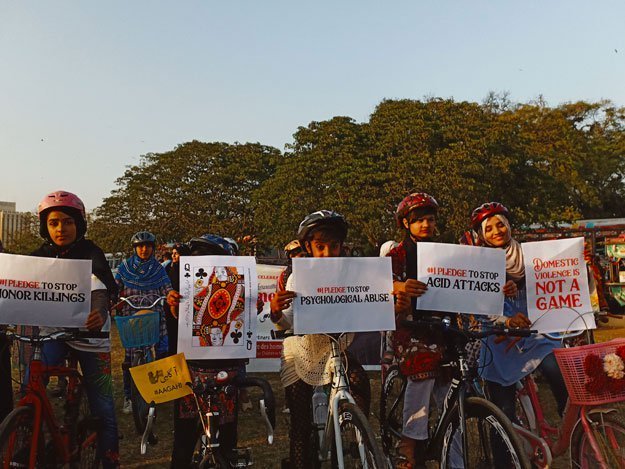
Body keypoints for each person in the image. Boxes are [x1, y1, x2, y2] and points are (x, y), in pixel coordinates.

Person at [269, 210, 371, 469]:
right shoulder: (297, 276)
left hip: (334, 348)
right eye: (320, 246)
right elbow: (287, 321)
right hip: (301, 348)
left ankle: (357, 438)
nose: (327, 253)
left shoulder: (353, 274)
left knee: (360, 383)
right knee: (301, 421)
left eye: (333, 246)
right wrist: (276, 311)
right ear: (308, 247)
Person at [31, 190, 119, 467]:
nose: (60, 228)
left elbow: (103, 285)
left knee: (103, 407)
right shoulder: (38, 257)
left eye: (67, 222)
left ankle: (109, 461)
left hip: (91, 339)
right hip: (53, 335)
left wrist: (100, 310)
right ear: (45, 227)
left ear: (79, 224)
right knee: (30, 390)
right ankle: (28, 442)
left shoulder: (92, 252)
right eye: (54, 222)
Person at [472, 202, 568, 422]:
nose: (497, 231)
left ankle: (571, 425)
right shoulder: (479, 264)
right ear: (482, 234)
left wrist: (579, 267)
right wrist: (506, 320)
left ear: (508, 226)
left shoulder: (532, 256)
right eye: (489, 228)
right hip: (499, 341)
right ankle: (504, 455)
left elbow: (558, 279)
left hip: (535, 334)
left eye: (501, 225)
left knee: (556, 368)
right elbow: (478, 309)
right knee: (503, 413)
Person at [165, 234, 244, 468]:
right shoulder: (183, 286)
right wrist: (171, 304)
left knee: (228, 441)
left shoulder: (239, 287)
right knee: (184, 440)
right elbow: (174, 323)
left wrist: (252, 306)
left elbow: (247, 315)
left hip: (226, 369)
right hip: (191, 369)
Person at [386, 192, 448, 469]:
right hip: (408, 327)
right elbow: (376, 285)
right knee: (423, 366)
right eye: (418, 220)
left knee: (463, 371)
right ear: (405, 224)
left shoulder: (447, 253)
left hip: (443, 326)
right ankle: (408, 443)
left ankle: (453, 445)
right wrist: (400, 288)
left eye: (430, 220)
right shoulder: (396, 255)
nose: (425, 225)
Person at [115, 231, 172, 414]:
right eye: (140, 246)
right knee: (130, 359)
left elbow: (167, 288)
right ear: (134, 248)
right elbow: (115, 287)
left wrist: (171, 296)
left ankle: (156, 391)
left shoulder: (159, 269)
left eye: (148, 246)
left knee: (158, 355)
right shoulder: (124, 268)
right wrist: (112, 298)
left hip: (154, 316)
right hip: (132, 319)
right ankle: (128, 396)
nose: (144, 249)